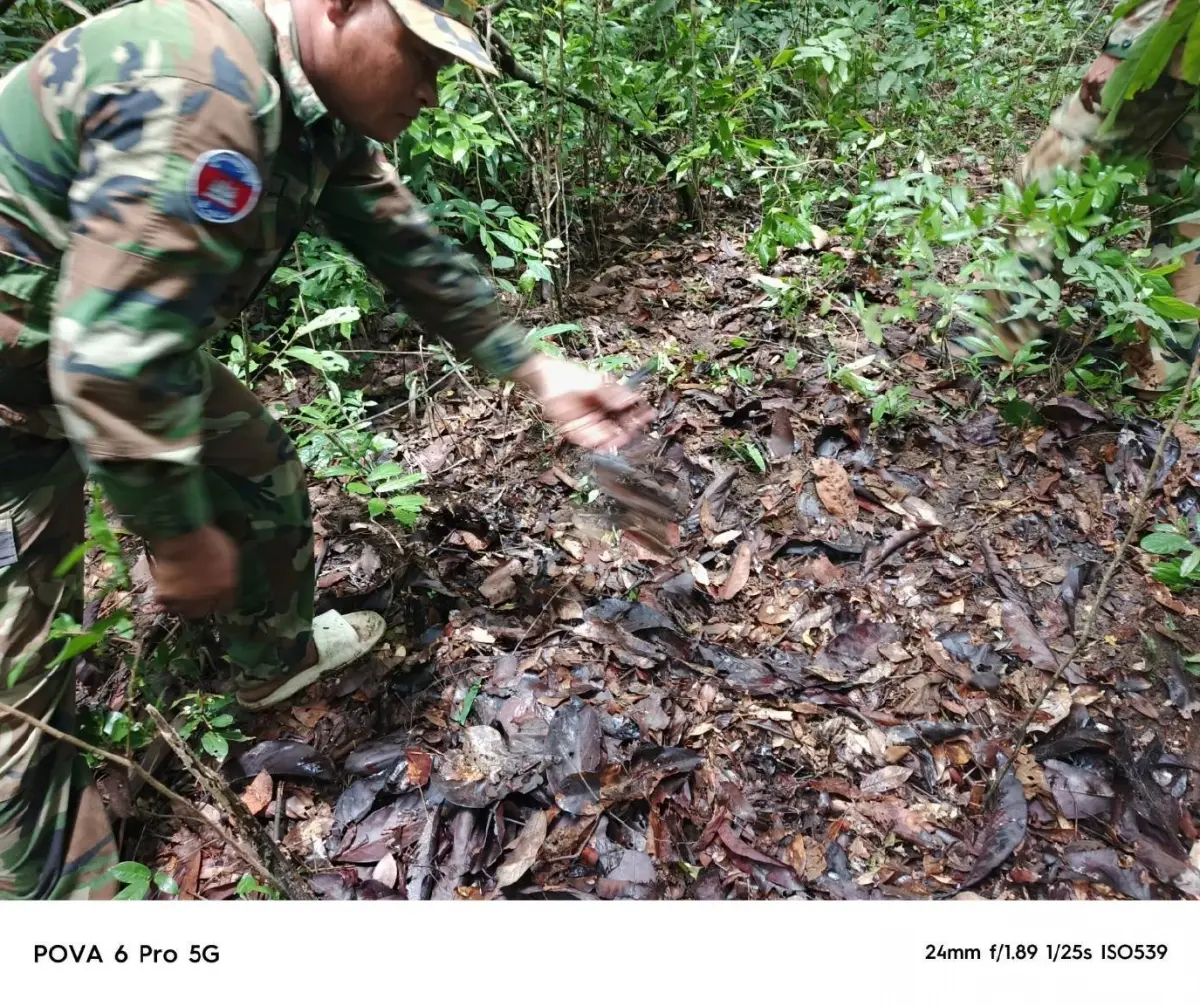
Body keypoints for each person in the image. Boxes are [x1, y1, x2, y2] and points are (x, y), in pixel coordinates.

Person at [0, 0, 652, 900]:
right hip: (21, 392)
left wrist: (532, 365)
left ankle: (270, 660)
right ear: (340, 7)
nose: (430, 90)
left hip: (83, 346)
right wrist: (179, 539)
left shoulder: (309, 112)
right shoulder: (205, 96)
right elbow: (110, 366)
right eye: (418, 58)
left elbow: (402, 241)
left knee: (255, 466)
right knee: (20, 700)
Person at [976, 0, 1200, 392]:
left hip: (1171, 34)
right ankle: (1165, 368)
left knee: (1056, 174)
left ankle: (1001, 341)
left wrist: (1121, 51)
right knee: (1188, 200)